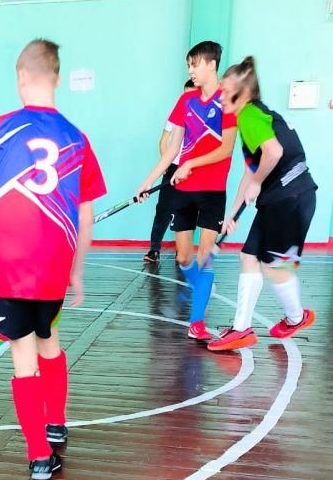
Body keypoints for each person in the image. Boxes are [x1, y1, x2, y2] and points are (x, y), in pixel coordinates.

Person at [0, 39, 106, 480]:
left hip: (5, 264)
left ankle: (39, 456)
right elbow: (85, 216)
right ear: (57, 78)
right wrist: (77, 271)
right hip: (54, 262)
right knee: (48, 339)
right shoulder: (77, 137)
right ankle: (57, 423)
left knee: (23, 355)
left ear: (21, 78)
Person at [208, 57, 317, 351]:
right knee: (249, 256)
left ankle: (297, 318)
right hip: (285, 198)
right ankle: (241, 329)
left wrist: (257, 183)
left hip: (290, 198)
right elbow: (251, 171)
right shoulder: (257, 115)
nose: (220, 96)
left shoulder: (248, 116)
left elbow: (273, 152)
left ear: (242, 93)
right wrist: (232, 215)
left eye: (225, 90)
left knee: (273, 264)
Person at [136, 41, 237, 341]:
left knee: (204, 258)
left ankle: (197, 322)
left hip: (212, 192)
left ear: (211, 64)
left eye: (195, 64)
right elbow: (171, 151)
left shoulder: (228, 100)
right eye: (188, 65)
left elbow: (226, 148)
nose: (190, 70)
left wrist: (191, 163)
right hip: (183, 189)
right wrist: (147, 181)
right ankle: (202, 285)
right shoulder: (186, 101)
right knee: (183, 259)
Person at [143, 80, 197, 262]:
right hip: (172, 166)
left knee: (187, 210)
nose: (187, 98)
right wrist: (166, 165)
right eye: (185, 94)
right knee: (163, 209)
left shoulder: (201, 118)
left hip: (190, 170)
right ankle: (154, 249)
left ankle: (182, 250)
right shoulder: (175, 116)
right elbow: (163, 142)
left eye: (191, 94)